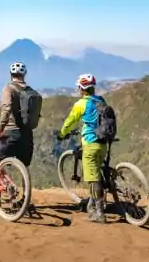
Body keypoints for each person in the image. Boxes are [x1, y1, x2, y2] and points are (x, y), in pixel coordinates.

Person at [0, 62, 42, 209]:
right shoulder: (31, 91)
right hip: (27, 134)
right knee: (24, 166)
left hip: (10, 133)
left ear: (11, 74)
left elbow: (6, 109)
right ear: (24, 75)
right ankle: (25, 200)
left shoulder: (9, 88)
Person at [57, 73, 108, 224]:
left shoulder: (81, 104)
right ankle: (97, 199)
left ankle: (99, 213)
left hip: (90, 143)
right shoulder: (101, 100)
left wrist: (62, 134)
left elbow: (70, 121)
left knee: (93, 178)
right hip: (103, 142)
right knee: (97, 171)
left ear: (81, 89)